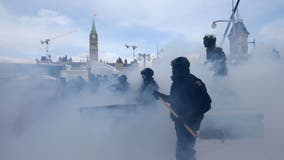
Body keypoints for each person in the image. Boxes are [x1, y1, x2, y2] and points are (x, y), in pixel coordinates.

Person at [154, 57, 211, 160]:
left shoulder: (194, 82)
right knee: (182, 151)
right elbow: (174, 99)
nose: (172, 70)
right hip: (180, 122)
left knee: (186, 152)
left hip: (190, 124)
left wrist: (187, 117)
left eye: (174, 68)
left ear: (181, 68)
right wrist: (159, 95)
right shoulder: (177, 82)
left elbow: (206, 104)